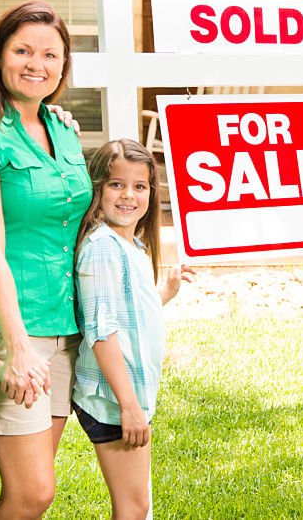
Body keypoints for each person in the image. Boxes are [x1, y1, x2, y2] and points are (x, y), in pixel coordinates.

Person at [0, 0, 92, 519]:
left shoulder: (62, 129)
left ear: (63, 64)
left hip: (66, 326)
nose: (37, 64)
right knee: (32, 492)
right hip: (16, 330)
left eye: (50, 55)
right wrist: (16, 348)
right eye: (23, 51)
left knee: (31, 494)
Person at [72, 139, 194, 520]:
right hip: (113, 400)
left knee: (139, 505)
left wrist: (164, 294)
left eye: (139, 186)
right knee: (134, 508)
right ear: (98, 189)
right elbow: (101, 330)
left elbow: (128, 318)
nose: (129, 195)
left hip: (128, 397)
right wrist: (128, 406)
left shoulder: (132, 245)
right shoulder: (103, 247)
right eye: (116, 185)